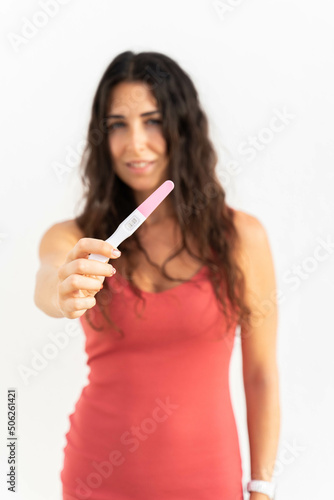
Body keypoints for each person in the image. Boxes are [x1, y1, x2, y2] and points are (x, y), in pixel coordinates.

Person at [34, 51, 280, 500]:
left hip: (210, 482)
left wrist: (261, 487)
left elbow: (260, 372)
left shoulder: (242, 237)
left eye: (153, 121)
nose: (135, 144)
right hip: (96, 480)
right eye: (117, 125)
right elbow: (49, 279)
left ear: (183, 127)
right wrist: (64, 290)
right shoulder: (74, 236)